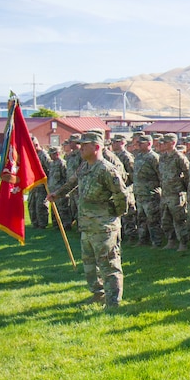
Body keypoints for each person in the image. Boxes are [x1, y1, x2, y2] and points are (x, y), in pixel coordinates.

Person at [48, 131, 128, 308]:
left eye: (85, 145)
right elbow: (72, 183)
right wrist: (57, 194)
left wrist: (112, 215)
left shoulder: (107, 169)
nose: (81, 148)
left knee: (108, 264)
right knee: (90, 264)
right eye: (80, 145)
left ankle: (113, 302)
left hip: (104, 227)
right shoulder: (85, 167)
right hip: (86, 225)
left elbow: (122, 195)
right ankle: (98, 293)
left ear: (97, 147)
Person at [158, 133, 190, 250]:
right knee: (165, 220)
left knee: (179, 219)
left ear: (172, 143)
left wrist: (184, 188)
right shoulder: (162, 157)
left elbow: (187, 174)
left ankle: (183, 243)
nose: (163, 144)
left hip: (176, 193)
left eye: (165, 142)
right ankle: (171, 241)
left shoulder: (179, 157)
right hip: (165, 193)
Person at [132, 135, 163, 247]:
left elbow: (160, 175)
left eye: (141, 143)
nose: (139, 145)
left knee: (153, 219)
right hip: (140, 194)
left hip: (150, 194)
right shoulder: (138, 156)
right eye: (138, 143)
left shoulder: (154, 157)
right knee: (141, 219)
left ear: (149, 144)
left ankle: (157, 241)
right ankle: (142, 240)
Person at [27, 136, 51, 229]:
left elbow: (50, 167)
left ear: (36, 145)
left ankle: (42, 225)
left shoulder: (43, 154)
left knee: (40, 205)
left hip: (41, 185)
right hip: (33, 185)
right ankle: (35, 224)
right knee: (31, 204)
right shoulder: (32, 155)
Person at [47, 146, 72, 231]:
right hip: (53, 190)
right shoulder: (52, 164)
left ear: (57, 154)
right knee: (54, 210)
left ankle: (66, 226)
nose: (50, 156)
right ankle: (56, 226)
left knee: (63, 209)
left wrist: (63, 190)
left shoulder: (62, 163)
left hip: (60, 191)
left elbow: (66, 177)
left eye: (52, 154)